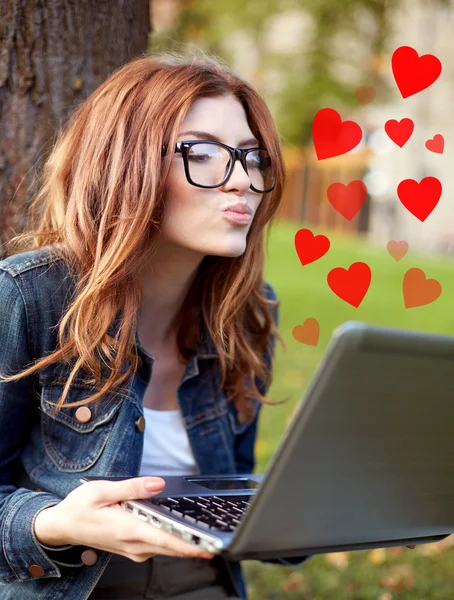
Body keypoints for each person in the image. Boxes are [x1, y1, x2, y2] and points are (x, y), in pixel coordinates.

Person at [0, 49, 310, 600]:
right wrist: (54, 523)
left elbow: (238, 505)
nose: (241, 181)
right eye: (206, 153)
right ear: (124, 162)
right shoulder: (29, 297)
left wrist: (343, 511)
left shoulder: (247, 313)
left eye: (252, 157)